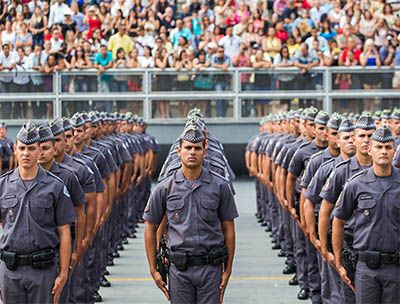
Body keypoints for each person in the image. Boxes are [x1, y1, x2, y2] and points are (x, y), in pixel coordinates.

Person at [144, 124, 238, 304]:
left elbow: (229, 230)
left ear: (205, 150)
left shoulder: (220, 186)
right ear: (179, 151)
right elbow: (150, 227)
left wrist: (228, 269)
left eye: (197, 148)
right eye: (188, 147)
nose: (192, 152)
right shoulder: (165, 187)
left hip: (211, 268)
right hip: (179, 270)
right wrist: (153, 268)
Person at [0, 122, 76, 304]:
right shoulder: (2, 185)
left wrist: (63, 273)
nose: (26, 153)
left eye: (31, 148)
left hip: (43, 270)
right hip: (10, 271)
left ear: (38, 151)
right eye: (22, 148)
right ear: (15, 150)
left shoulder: (55, 186)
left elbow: (64, 232)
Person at [332, 126, 400, 304]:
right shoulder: (356, 184)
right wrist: (338, 262)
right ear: (370, 150)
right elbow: (338, 220)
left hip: (396, 268)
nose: (383, 151)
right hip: (366, 270)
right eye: (379, 147)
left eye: (388, 147)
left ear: (394, 151)